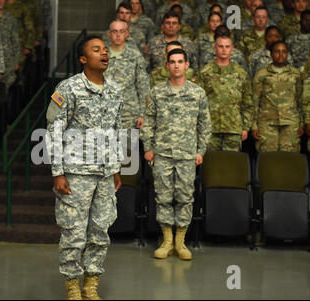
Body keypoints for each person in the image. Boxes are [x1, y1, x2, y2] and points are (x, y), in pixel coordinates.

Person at [45, 35, 123, 300]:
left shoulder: (115, 91)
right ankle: (72, 287)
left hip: (104, 174)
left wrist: (116, 168)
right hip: (76, 173)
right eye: (96, 49)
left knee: (100, 232)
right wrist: (58, 172)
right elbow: (54, 130)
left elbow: (115, 131)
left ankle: (91, 284)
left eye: (106, 50)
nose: (104, 53)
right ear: (83, 59)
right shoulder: (68, 88)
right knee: (74, 232)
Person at [141, 48, 212, 261]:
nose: (177, 65)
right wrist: (148, 148)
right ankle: (167, 240)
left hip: (187, 154)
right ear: (167, 66)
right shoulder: (157, 92)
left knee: (184, 197)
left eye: (181, 61)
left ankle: (181, 241)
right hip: (162, 153)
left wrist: (200, 150)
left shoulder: (197, 93)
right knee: (162, 196)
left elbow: (205, 124)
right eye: (172, 62)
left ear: (187, 65)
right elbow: (148, 122)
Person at [197, 29, 254, 151]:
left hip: (233, 128)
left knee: (231, 165)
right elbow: (198, 102)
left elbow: (247, 103)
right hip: (210, 128)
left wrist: (246, 127)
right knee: (211, 165)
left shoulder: (241, 74)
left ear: (232, 49)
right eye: (220, 46)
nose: (224, 49)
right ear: (214, 48)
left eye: (227, 46)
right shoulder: (205, 72)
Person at [251, 41, 303, 151]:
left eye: (284, 52)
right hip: (267, 122)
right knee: (268, 157)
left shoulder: (296, 74)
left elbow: (300, 99)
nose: (280, 55)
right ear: (271, 54)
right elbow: (255, 101)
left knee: (289, 156)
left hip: (290, 121)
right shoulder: (261, 74)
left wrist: (301, 123)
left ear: (287, 54)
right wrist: (254, 125)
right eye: (277, 51)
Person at [104, 20, 149, 133]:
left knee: (128, 150)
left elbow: (143, 86)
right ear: (109, 34)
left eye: (121, 31)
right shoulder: (102, 55)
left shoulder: (135, 55)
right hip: (104, 113)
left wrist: (142, 114)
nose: (118, 35)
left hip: (129, 114)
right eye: (114, 31)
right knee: (103, 149)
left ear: (127, 33)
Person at [0, 0, 20, 94]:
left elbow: (15, 42)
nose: (0, 2)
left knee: (4, 94)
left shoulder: (10, 19)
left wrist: (16, 60)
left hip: (7, 63)